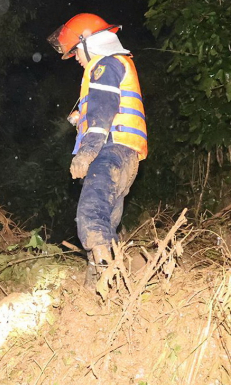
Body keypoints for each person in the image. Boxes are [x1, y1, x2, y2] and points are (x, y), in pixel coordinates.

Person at [48, 14, 148, 282]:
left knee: (90, 216)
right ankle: (106, 289)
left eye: (76, 51)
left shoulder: (104, 64)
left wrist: (87, 152)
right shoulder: (119, 64)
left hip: (110, 152)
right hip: (127, 155)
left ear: (89, 42)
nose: (76, 59)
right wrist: (81, 118)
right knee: (106, 222)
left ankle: (106, 282)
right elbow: (107, 107)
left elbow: (103, 111)